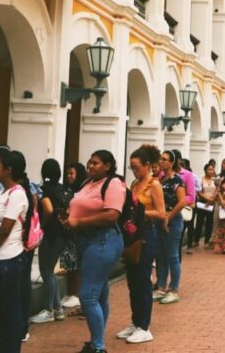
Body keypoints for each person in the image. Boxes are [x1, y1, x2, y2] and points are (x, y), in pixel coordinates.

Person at [66, 150, 125, 353]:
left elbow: (111, 215)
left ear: (107, 166)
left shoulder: (113, 184)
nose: (90, 166)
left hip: (103, 239)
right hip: (85, 239)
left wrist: (79, 221)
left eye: (96, 163)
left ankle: (98, 347)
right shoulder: (87, 183)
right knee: (99, 293)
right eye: (89, 162)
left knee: (88, 296)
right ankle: (96, 340)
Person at [116, 144, 164, 344]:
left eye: (136, 167)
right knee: (132, 280)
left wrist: (140, 213)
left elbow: (161, 213)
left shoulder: (154, 185)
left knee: (143, 280)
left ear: (147, 165)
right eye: (131, 167)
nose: (134, 170)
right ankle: (136, 322)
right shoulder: (135, 183)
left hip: (148, 234)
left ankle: (144, 326)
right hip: (133, 234)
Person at [0, 149, 36, 352]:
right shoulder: (6, 193)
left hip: (9, 258)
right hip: (3, 258)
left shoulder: (17, 194)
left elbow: (5, 228)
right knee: (6, 310)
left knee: (11, 311)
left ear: (8, 170)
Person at [30, 159, 69, 324]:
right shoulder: (62, 189)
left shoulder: (45, 190)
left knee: (46, 271)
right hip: (62, 234)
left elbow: (48, 209)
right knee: (49, 272)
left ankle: (48, 309)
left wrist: (41, 226)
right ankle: (58, 308)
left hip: (50, 235)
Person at [153, 150, 187, 304]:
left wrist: (169, 216)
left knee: (172, 255)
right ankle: (161, 287)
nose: (161, 162)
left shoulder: (177, 181)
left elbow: (182, 202)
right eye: (160, 159)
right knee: (160, 255)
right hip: (160, 220)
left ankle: (174, 289)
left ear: (171, 163)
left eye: (164, 159)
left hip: (173, 221)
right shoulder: (160, 180)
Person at [59, 161, 87, 310]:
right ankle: (70, 292)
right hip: (68, 230)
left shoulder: (82, 191)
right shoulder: (68, 190)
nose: (69, 177)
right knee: (69, 262)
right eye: (68, 174)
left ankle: (76, 294)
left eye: (72, 174)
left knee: (76, 264)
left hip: (78, 230)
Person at [193, 162, 217, 249]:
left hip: (212, 203)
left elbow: (217, 191)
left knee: (209, 223)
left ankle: (206, 241)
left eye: (212, 169)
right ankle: (196, 240)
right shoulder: (201, 179)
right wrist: (207, 199)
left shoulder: (215, 180)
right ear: (205, 170)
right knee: (199, 221)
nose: (211, 171)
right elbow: (199, 192)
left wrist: (212, 200)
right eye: (209, 169)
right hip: (203, 203)